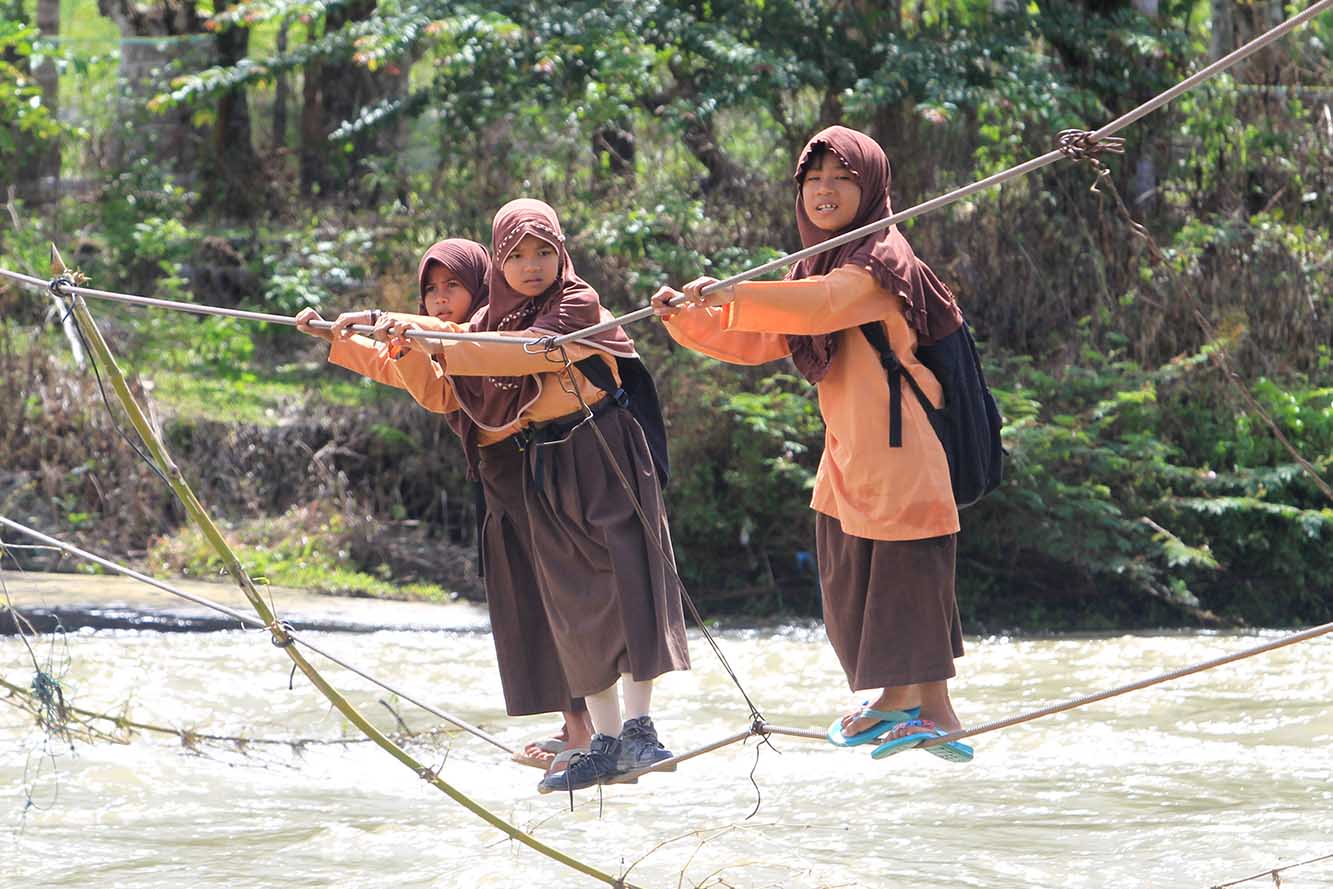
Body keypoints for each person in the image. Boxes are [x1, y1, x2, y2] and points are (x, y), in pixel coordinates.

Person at [651, 125, 972, 763]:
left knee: (902, 574)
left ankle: (902, 700)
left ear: (871, 186)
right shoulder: (816, 261)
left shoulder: (883, 256)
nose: (824, 191)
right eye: (813, 180)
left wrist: (735, 293)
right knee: (847, 567)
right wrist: (691, 321)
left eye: (841, 179)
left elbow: (823, 307)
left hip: (902, 443)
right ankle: (934, 713)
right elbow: (766, 337)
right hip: (850, 449)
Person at [394, 200, 691, 792]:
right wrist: (364, 330)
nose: (531, 266)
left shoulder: (577, 303)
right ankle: (603, 742)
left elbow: (528, 350)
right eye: (517, 256)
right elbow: (453, 357)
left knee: (628, 580)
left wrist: (428, 338)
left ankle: (640, 730)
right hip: (546, 459)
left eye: (543, 252)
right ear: (499, 263)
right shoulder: (487, 325)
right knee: (575, 601)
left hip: (607, 448)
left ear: (562, 254)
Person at [294, 238, 594, 772]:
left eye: (452, 285)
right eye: (429, 290)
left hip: (533, 472)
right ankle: (574, 727)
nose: (438, 300)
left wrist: (394, 330)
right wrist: (337, 340)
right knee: (528, 604)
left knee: (556, 603)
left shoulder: (491, 333)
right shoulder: (442, 342)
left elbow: (440, 391)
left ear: (480, 285)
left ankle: (586, 733)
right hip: (500, 482)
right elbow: (409, 375)